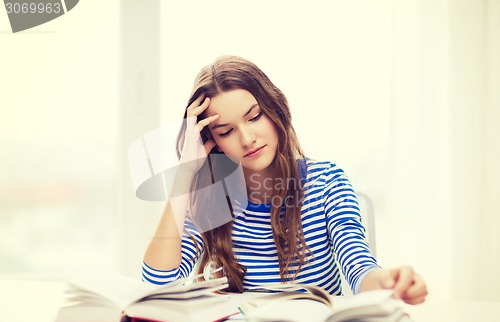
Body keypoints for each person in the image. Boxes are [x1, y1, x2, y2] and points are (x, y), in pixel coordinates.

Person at [141, 55, 428, 305]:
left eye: (254, 117)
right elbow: (156, 287)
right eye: (226, 131)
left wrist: (388, 284)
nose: (247, 138)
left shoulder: (327, 182)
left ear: (274, 107)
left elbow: (359, 267)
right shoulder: (209, 198)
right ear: (211, 142)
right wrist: (184, 176)